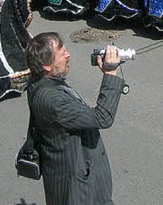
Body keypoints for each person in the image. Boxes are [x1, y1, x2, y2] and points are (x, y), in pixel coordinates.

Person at [25, 32, 125, 205]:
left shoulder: (40, 81)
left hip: (71, 176)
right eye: (62, 53)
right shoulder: (53, 101)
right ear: (47, 66)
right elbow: (103, 117)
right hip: (76, 187)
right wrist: (110, 74)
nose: (68, 55)